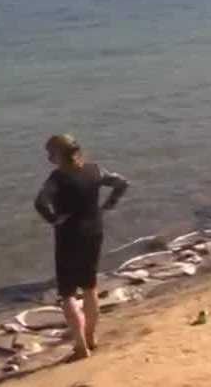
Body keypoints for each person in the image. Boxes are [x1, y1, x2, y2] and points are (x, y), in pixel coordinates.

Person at [34, 134, 129, 360]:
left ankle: (80, 347)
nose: (48, 157)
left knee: (67, 293)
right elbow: (122, 183)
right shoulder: (94, 170)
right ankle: (91, 336)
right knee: (90, 287)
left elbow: (40, 202)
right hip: (94, 231)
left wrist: (53, 219)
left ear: (59, 155)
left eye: (51, 153)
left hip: (69, 235)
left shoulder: (57, 178)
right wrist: (108, 206)